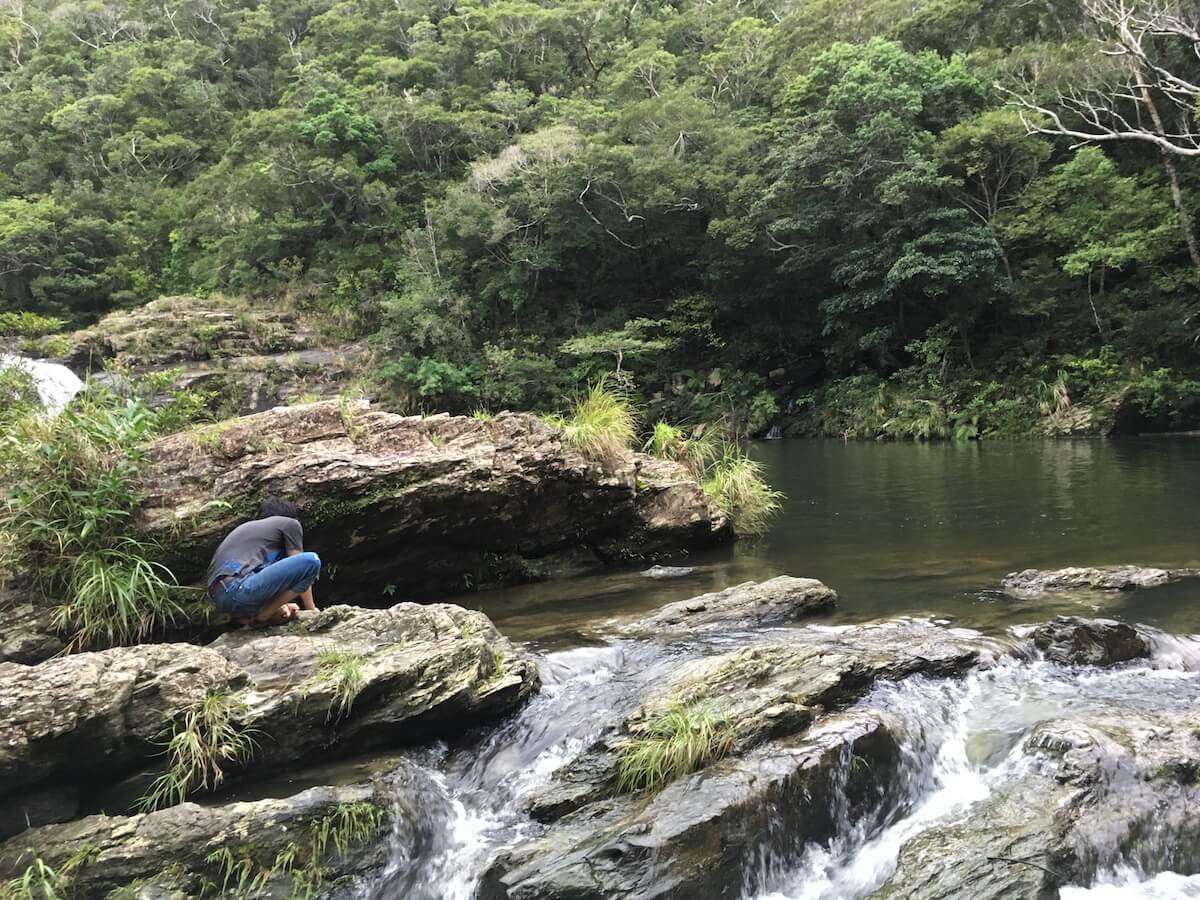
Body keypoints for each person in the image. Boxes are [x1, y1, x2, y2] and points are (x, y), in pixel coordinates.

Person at [206, 497, 321, 627]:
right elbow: (301, 565)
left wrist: (282, 605)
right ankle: (264, 615)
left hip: (221, 598)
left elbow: (264, 576)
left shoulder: (251, 536)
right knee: (311, 561)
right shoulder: (290, 523)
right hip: (238, 588)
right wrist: (312, 610)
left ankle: (256, 616)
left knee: (285, 609)